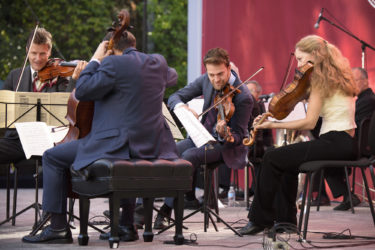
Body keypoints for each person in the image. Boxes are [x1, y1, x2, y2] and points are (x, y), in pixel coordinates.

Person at [22, 30, 179, 244]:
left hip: (114, 144)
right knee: (126, 159)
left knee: (52, 157)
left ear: (111, 49)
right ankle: (126, 225)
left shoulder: (111, 64)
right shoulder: (157, 63)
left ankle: (58, 228)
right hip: (150, 145)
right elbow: (173, 76)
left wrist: (95, 60)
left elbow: (84, 90)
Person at [239, 35, 358, 235]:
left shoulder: (320, 80)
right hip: (344, 142)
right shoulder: (335, 75)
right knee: (285, 161)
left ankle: (259, 219)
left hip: (335, 141)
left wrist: (271, 124)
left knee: (271, 157)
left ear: (315, 55)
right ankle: (287, 221)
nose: (299, 65)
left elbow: (309, 122)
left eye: (301, 59)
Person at [153, 47, 253, 229]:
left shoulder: (243, 96)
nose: (215, 79)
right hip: (201, 136)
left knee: (190, 156)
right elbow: (175, 96)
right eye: (211, 74)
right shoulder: (206, 80)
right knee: (168, 151)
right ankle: (144, 207)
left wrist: (226, 134)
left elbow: (239, 136)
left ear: (229, 67)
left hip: (225, 146)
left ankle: (166, 211)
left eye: (220, 74)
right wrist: (182, 107)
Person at [0, 28, 71, 170]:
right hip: (18, 141)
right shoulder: (15, 76)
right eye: (33, 53)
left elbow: (68, 109)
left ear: (49, 52)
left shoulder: (61, 78)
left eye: (42, 54)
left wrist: (73, 79)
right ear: (27, 51)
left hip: (51, 142)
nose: (38, 59)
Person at [310, 67, 375, 211]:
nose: (351, 84)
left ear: (365, 81)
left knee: (324, 153)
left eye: (355, 80)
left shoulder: (368, 101)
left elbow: (354, 126)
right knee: (323, 148)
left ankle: (344, 195)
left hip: (358, 147)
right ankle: (340, 196)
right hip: (354, 144)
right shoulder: (364, 100)